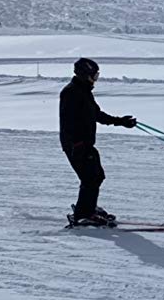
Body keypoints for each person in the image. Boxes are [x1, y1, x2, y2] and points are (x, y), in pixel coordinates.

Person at [59, 58, 137, 226]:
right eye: (94, 75)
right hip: (76, 145)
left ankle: (89, 207)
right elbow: (68, 122)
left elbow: (96, 115)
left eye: (96, 75)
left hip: (85, 143)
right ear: (84, 75)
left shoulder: (84, 91)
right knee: (90, 178)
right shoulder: (71, 92)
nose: (95, 79)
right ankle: (83, 214)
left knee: (96, 176)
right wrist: (76, 144)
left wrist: (120, 121)